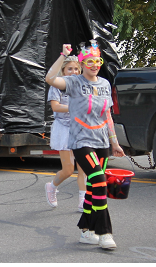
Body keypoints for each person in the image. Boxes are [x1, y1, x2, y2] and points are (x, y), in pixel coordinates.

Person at [45, 41, 124, 251]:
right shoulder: (73, 82)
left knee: (92, 188)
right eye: (90, 61)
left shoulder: (105, 84)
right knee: (99, 180)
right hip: (81, 141)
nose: (94, 64)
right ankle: (104, 232)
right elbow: (50, 79)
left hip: (101, 141)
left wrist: (114, 142)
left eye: (97, 61)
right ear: (82, 63)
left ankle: (86, 230)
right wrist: (63, 55)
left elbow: (107, 114)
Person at [45, 56, 88, 211]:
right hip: (63, 128)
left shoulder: (82, 85)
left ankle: (83, 201)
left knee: (83, 167)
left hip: (80, 127)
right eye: (70, 68)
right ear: (63, 70)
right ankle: (52, 186)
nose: (73, 72)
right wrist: (73, 107)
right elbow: (55, 107)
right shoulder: (57, 86)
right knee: (69, 170)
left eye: (76, 69)